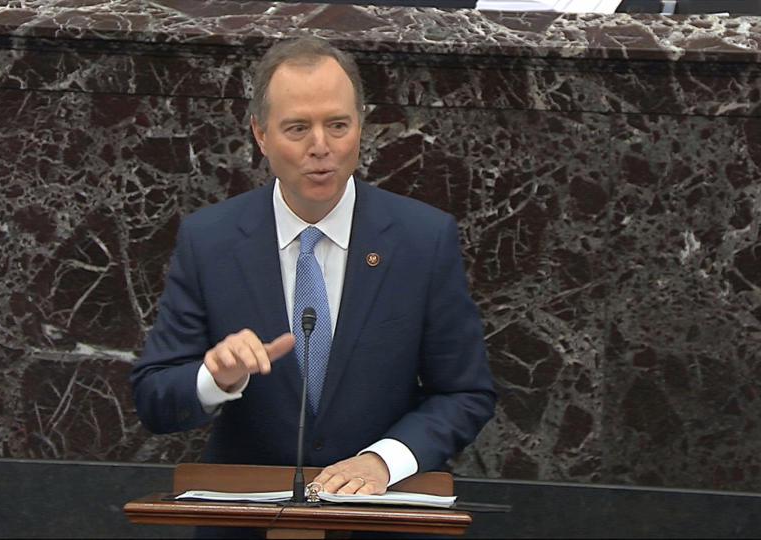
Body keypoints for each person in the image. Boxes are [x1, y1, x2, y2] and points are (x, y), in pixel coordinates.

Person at [130, 36, 495, 499]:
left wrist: (384, 460)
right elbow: (153, 399)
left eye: (338, 125)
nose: (320, 147)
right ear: (260, 134)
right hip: (248, 519)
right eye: (298, 128)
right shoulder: (210, 240)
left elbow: (465, 393)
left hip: (383, 518)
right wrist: (214, 378)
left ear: (361, 126)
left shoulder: (423, 239)